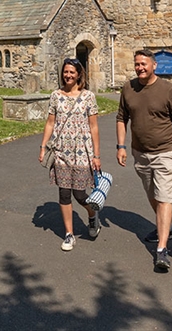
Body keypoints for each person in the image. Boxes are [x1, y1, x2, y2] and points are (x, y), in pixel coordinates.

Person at [115, 49, 172, 272]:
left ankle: (162, 249)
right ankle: (165, 227)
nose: (140, 68)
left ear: (154, 65)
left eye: (144, 64)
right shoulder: (128, 88)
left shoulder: (167, 89)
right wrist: (121, 146)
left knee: (164, 197)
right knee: (152, 195)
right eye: (137, 64)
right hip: (140, 153)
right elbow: (121, 118)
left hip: (165, 153)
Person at [38, 58, 102, 251]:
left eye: (72, 72)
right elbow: (50, 122)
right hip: (61, 152)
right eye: (66, 72)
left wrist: (96, 155)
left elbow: (94, 126)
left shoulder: (88, 96)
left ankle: (92, 215)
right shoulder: (55, 96)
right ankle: (69, 234)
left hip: (83, 152)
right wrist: (43, 147)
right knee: (64, 193)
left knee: (80, 194)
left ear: (79, 74)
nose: (68, 75)